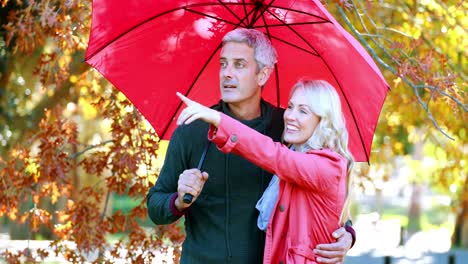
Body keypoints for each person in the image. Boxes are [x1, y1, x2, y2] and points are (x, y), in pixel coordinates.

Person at [146, 28, 354, 264]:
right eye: (223, 64)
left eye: (239, 65)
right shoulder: (191, 129)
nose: (227, 73)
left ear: (263, 74)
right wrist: (179, 200)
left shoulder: (287, 129)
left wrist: (346, 233)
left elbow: (321, 193)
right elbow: (155, 206)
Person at [176, 79, 354, 263]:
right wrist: (349, 233)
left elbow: (274, 154)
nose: (290, 116)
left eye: (303, 111)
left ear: (323, 120)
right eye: (290, 106)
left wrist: (218, 119)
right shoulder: (296, 154)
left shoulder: (328, 165)